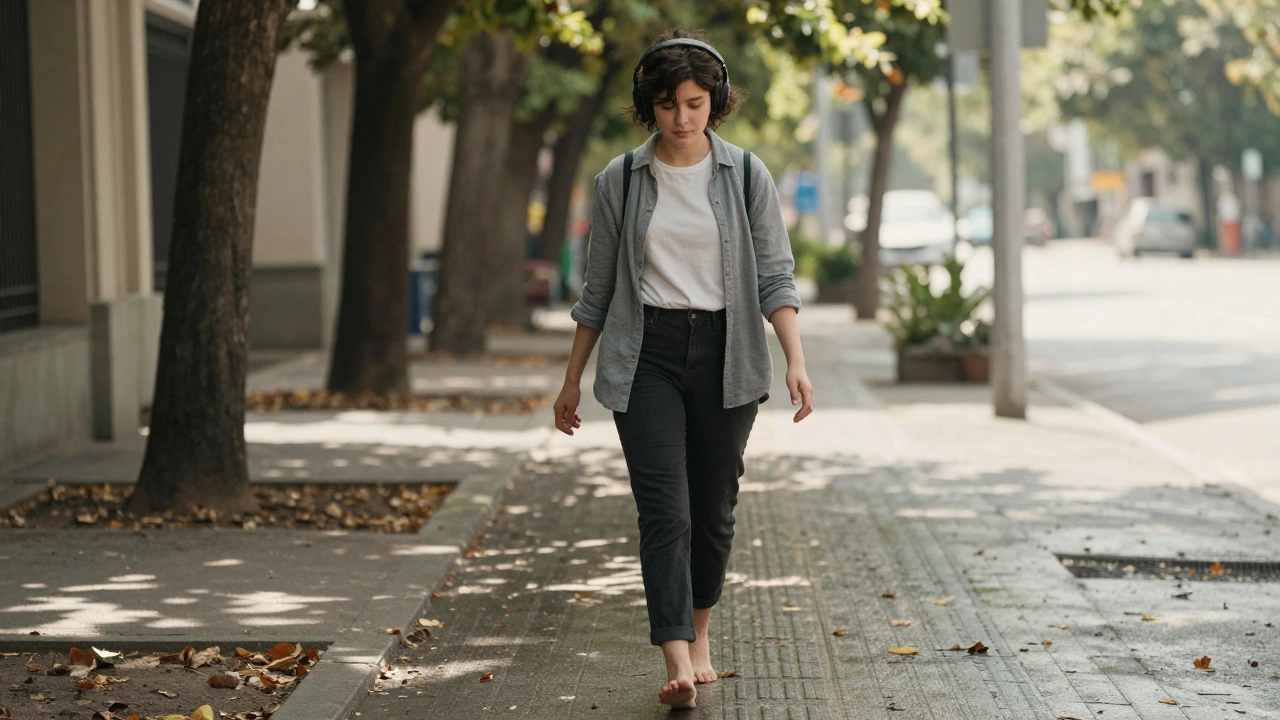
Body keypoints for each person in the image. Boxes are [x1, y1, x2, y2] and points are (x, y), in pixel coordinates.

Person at [551, 28, 814, 710]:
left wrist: (795, 360)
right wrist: (572, 379)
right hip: (647, 354)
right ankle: (674, 657)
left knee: (714, 510)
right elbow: (598, 290)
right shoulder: (619, 180)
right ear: (650, 105)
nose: (681, 118)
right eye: (668, 104)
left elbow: (776, 276)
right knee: (664, 511)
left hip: (729, 351)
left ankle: (699, 635)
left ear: (715, 102)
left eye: (695, 104)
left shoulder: (747, 175)